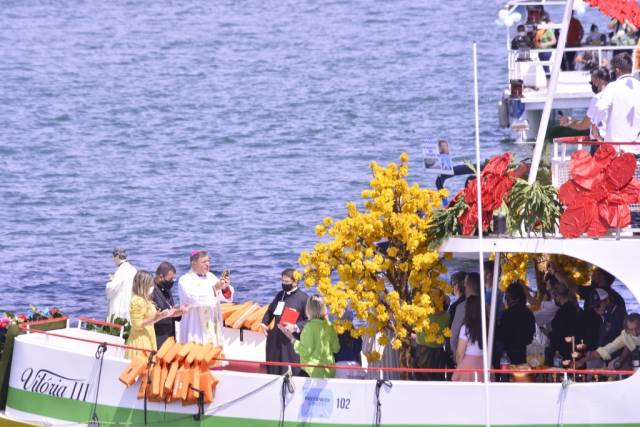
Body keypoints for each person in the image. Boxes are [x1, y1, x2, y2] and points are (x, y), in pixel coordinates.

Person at [178, 250, 234, 346]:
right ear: (193, 263)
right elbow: (194, 299)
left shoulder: (211, 277)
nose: (207, 264)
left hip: (213, 325)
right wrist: (215, 288)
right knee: (197, 356)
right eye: (204, 262)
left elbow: (224, 297)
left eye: (208, 261)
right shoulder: (185, 280)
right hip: (196, 328)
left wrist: (224, 287)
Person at [259, 268, 309, 376]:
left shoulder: (304, 299)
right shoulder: (280, 295)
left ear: (295, 282)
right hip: (275, 341)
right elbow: (270, 311)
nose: (284, 284)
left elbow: (310, 321)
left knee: (292, 373)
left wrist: (295, 326)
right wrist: (264, 322)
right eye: (282, 281)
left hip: (291, 343)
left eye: (287, 282)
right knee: (274, 371)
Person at [280, 295, 340, 378]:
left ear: (308, 309)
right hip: (329, 371)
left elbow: (305, 351)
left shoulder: (308, 328)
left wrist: (292, 339)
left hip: (312, 372)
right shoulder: (330, 326)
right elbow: (336, 348)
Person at [591, 53, 640, 154]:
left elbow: (600, 108)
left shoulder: (613, 87)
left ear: (617, 70)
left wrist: (595, 126)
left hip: (616, 151)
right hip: (637, 149)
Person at [125, 271, 178, 359]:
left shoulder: (146, 300)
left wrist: (162, 315)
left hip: (149, 337)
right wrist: (157, 317)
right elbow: (137, 324)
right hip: (141, 340)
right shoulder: (137, 301)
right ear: (144, 285)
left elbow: (151, 321)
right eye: (150, 284)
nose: (152, 287)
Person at [560, 67, 610, 152]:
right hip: (615, 144)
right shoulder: (615, 95)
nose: (592, 85)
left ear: (597, 80)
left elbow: (585, 124)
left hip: (600, 145)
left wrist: (569, 123)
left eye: (591, 82)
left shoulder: (598, 98)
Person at [496, 282, 535, 365]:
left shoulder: (508, 313)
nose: (505, 298)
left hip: (510, 355)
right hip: (526, 353)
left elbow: (502, 335)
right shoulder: (528, 312)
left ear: (510, 296)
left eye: (506, 296)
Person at [415, 289, 450, 381]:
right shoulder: (447, 316)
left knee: (422, 380)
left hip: (423, 352)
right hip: (439, 352)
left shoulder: (424, 314)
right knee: (438, 380)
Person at [547, 279, 584, 364]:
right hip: (577, 352)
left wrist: (547, 333)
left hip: (565, 354)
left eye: (554, 297)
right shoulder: (578, 310)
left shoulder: (561, 313)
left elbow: (557, 336)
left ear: (558, 296)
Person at [452, 295, 486, 382]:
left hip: (469, 366)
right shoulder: (487, 326)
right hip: (485, 364)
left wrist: (459, 365)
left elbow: (460, 354)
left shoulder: (466, 328)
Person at [151, 261, 184, 347]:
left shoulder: (166, 288)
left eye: (174, 279)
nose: (172, 282)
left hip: (170, 336)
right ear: (161, 277)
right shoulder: (150, 290)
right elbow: (151, 316)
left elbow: (170, 307)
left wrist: (179, 312)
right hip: (157, 337)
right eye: (170, 279)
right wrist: (171, 313)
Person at [106, 247, 137, 321]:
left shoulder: (121, 271)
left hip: (119, 307)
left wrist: (110, 281)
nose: (113, 260)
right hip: (129, 306)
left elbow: (111, 289)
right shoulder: (133, 269)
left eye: (113, 257)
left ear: (117, 256)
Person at [333, 309, 364, 379]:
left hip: (339, 369)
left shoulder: (335, 333)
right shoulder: (356, 333)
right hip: (355, 367)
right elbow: (358, 354)